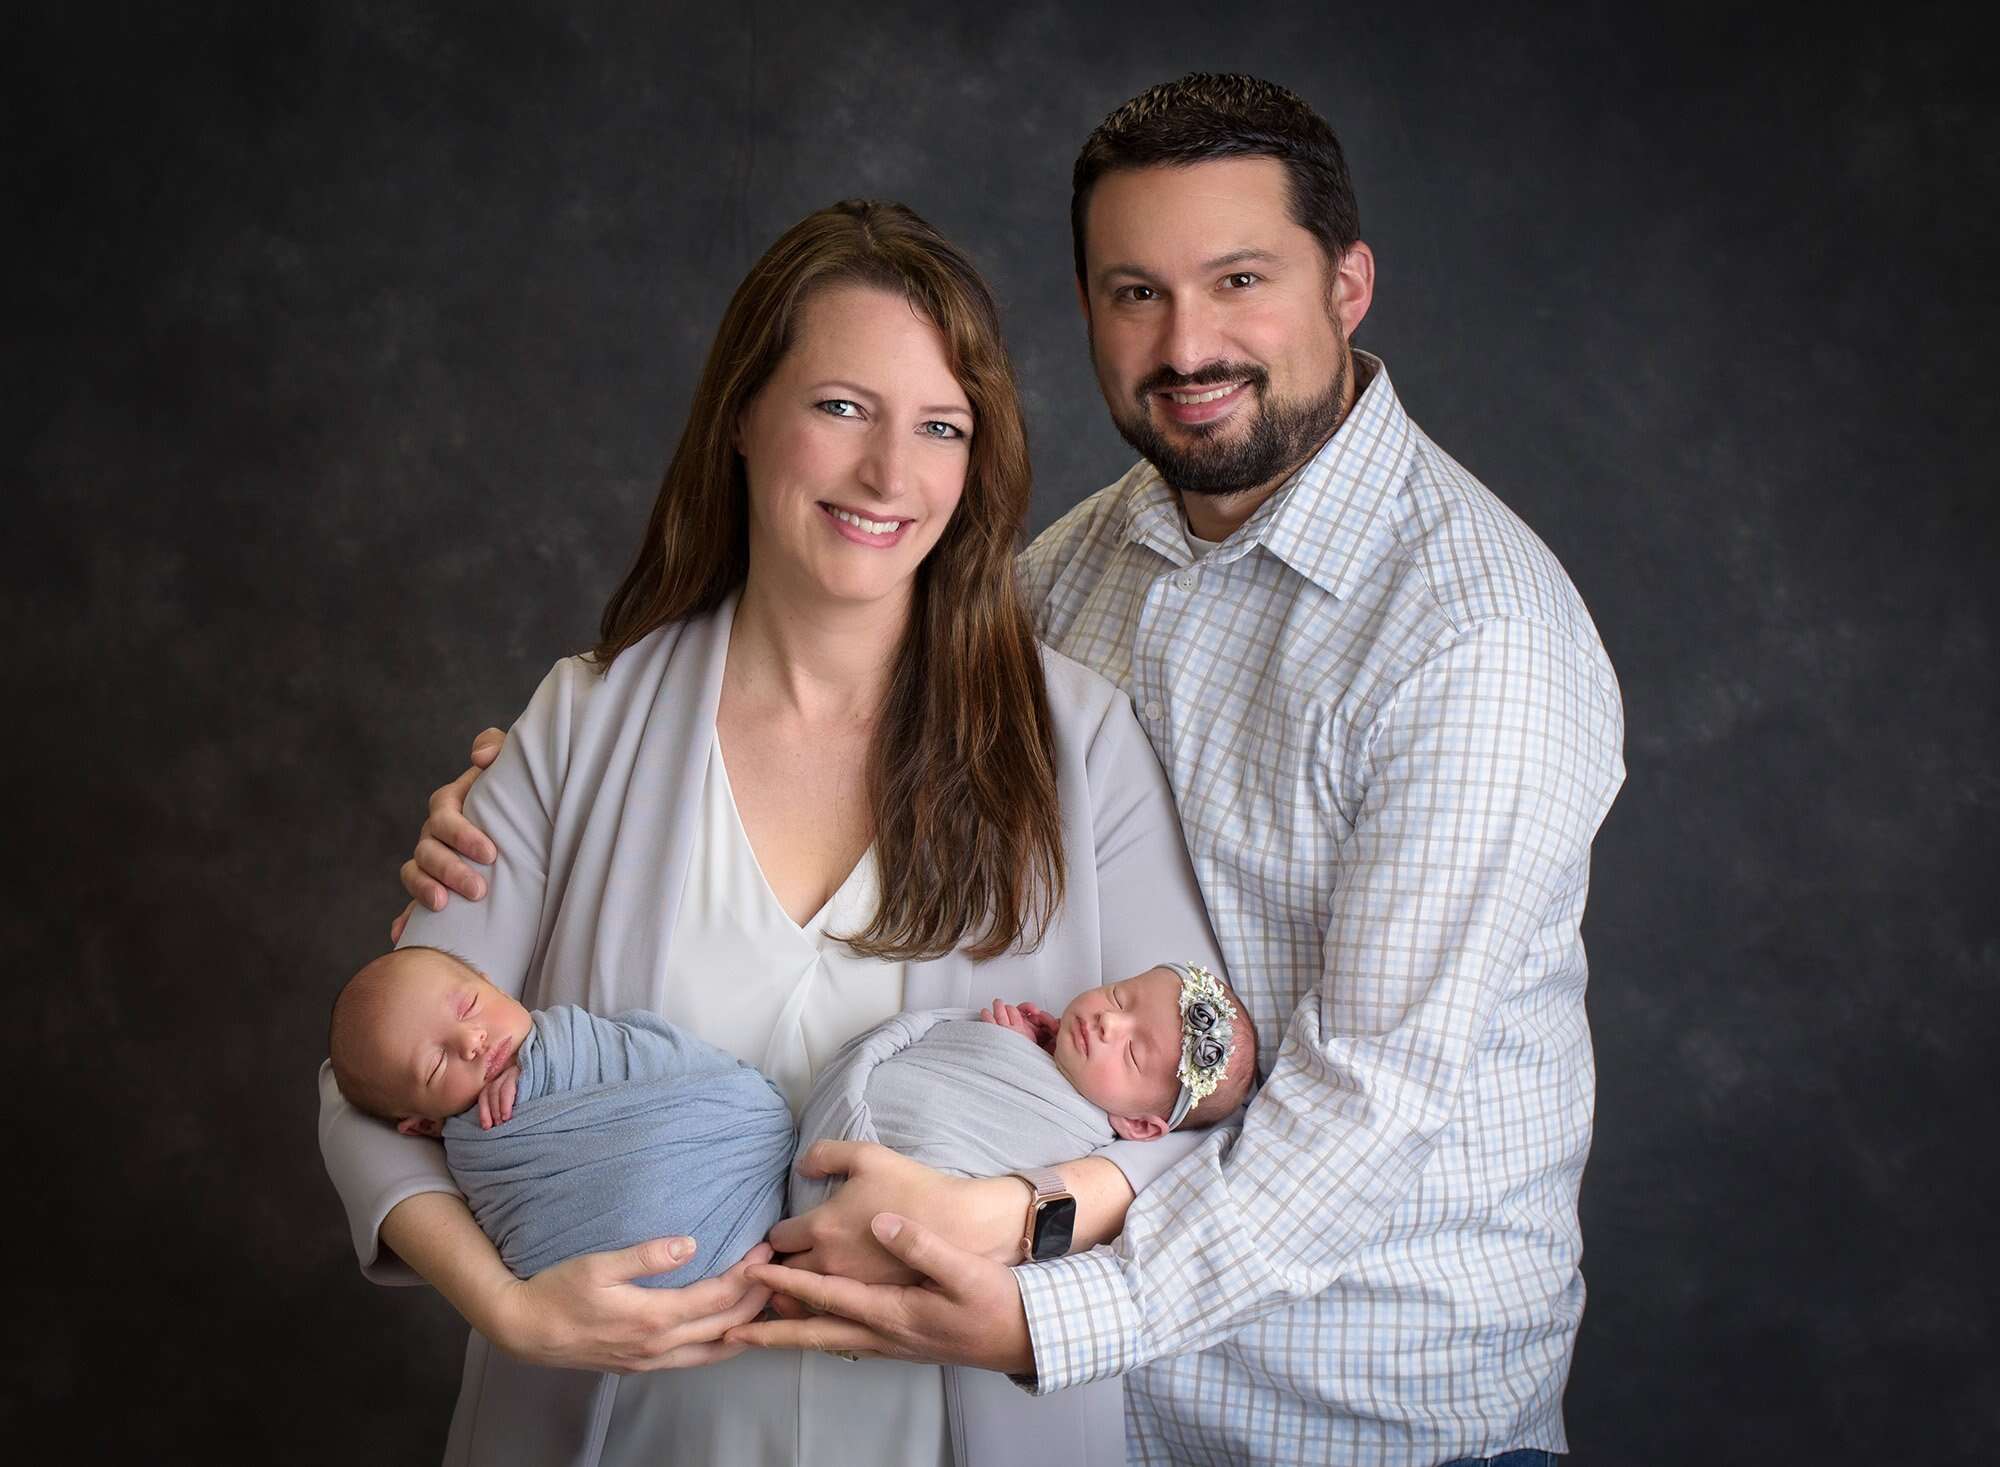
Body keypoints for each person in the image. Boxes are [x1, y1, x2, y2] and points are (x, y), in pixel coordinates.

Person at [402, 73, 1627, 1466]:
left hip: (1355, 1418)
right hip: (1109, 1408)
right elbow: (858, 652)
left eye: (1239, 279)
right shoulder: (1075, 575)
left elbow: (1364, 1112)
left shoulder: (1473, 642)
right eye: (1135, 291)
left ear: (1347, 284)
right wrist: (542, 780)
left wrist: (1038, 1279)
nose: (1186, 342)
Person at [318, 197, 1228, 1467]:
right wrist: (508, 1310)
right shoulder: (579, 725)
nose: (889, 476)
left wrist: (1019, 1214)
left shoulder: (1079, 745)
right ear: (741, 414)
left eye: (940, 426)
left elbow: (1206, 1099)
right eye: (842, 407)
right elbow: (372, 1076)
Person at [328, 946, 796, 1290]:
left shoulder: (577, 1039)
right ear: (423, 1126)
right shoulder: (477, 1159)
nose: (471, 1040)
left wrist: (547, 1060)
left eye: (470, 1006)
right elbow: (519, 1243)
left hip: (749, 1164)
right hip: (617, 1308)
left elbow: (662, 1059)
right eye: (435, 1066)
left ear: (494, 985)